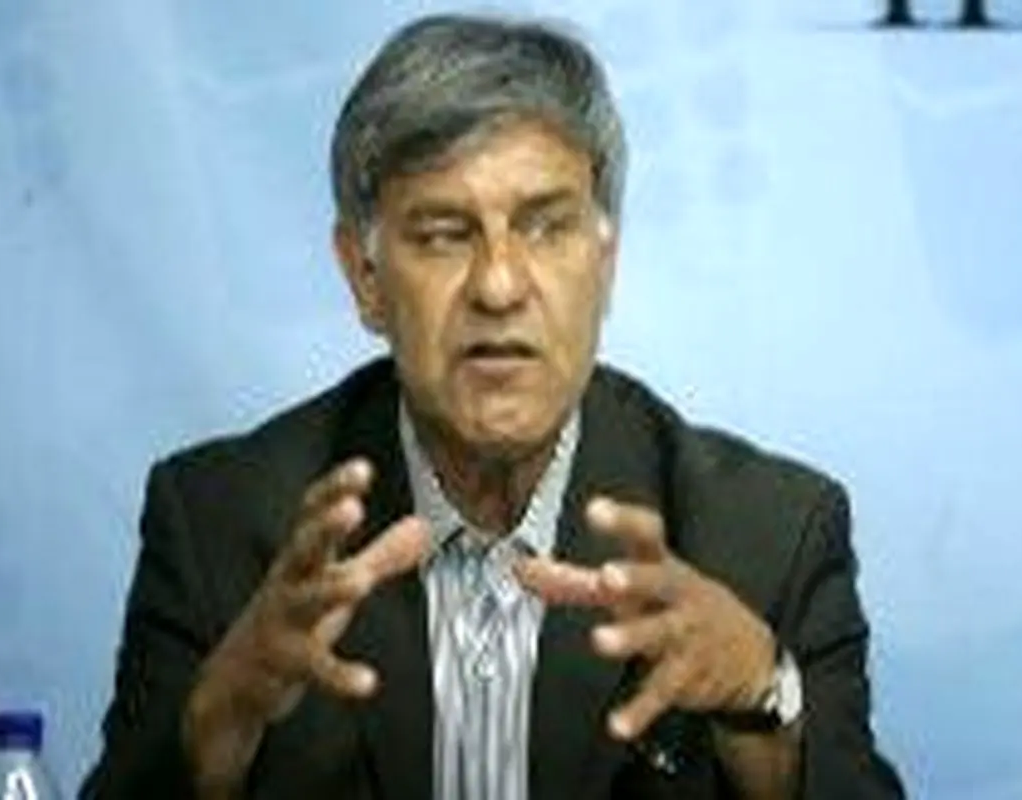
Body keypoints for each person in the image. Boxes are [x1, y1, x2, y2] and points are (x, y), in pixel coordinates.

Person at [80, 12, 904, 800]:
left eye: (546, 227)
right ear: (364, 276)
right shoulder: (222, 526)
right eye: (443, 234)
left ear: (605, 265)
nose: (500, 286)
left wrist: (764, 694)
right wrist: (213, 726)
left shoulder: (765, 537)